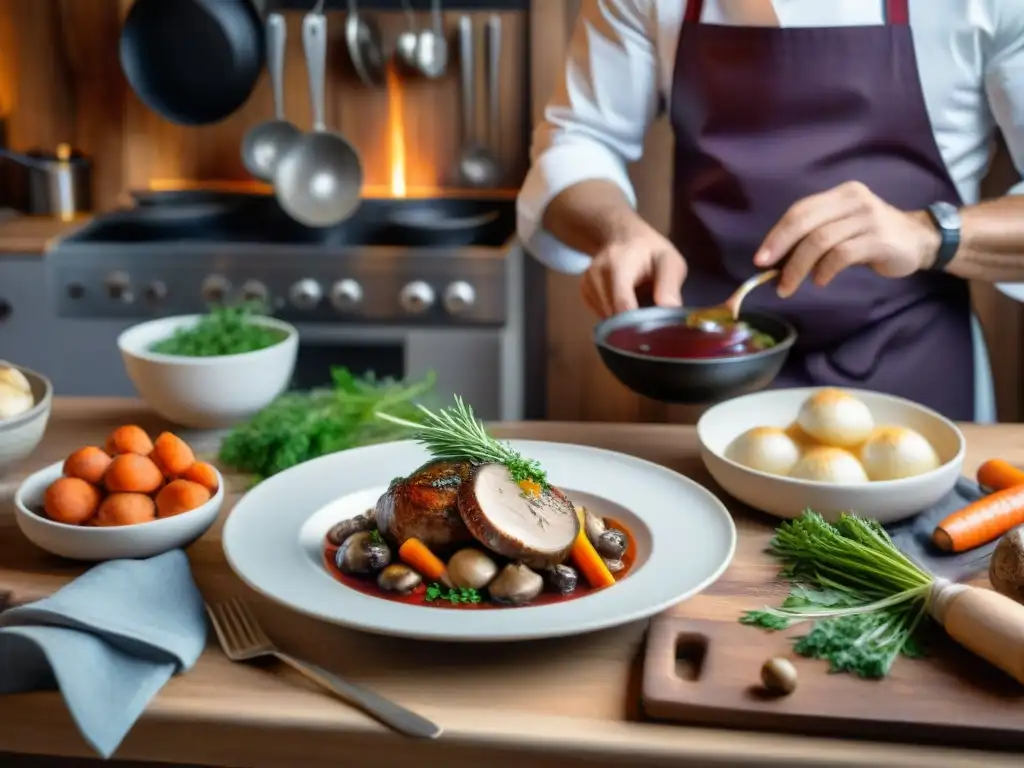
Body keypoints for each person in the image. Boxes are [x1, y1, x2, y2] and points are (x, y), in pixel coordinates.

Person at [516, 0, 1024, 422]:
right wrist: (616, 232)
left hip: (916, 376)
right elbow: (577, 142)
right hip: (714, 373)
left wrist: (929, 235)